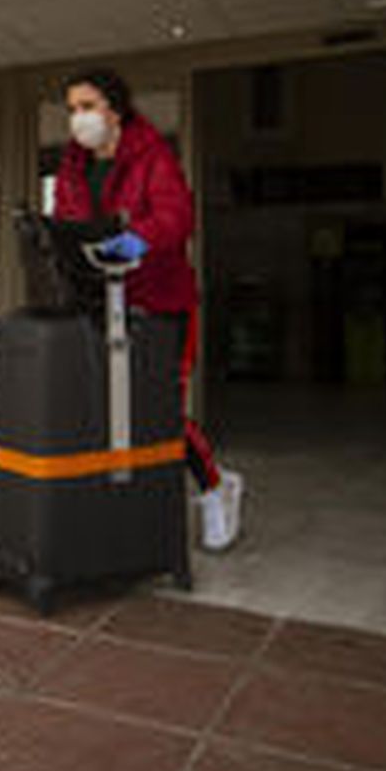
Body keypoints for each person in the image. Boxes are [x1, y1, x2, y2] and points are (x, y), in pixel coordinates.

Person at [52, 67, 243, 550]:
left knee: (159, 408)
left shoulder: (152, 155)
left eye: (88, 107)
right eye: (73, 109)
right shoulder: (73, 167)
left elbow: (176, 217)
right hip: (104, 302)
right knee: (108, 407)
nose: (80, 119)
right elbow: (69, 225)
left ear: (115, 111)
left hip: (162, 301)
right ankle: (121, 507)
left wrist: (134, 241)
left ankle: (216, 490)